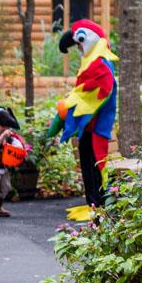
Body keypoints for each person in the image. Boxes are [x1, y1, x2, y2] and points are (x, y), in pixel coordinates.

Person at [48, 19, 118, 217]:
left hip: (97, 127)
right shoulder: (91, 61)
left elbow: (97, 93)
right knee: (87, 164)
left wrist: (70, 105)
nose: (78, 47)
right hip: (88, 127)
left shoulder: (101, 64)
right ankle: (93, 205)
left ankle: (100, 207)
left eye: (79, 43)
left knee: (97, 164)